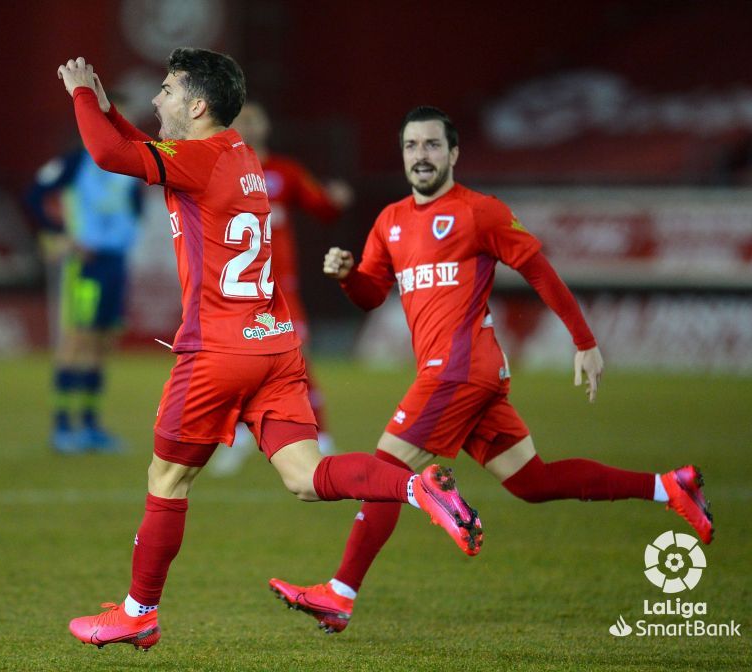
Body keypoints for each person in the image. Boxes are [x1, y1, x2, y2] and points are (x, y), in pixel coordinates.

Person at [55, 52, 484, 650]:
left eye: (167, 89)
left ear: (197, 106)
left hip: (217, 351)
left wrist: (79, 95)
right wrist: (106, 108)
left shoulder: (201, 161)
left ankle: (138, 612)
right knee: (306, 477)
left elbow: (107, 155)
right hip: (273, 346)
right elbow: (139, 150)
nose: (156, 100)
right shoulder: (239, 156)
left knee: (168, 477)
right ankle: (416, 487)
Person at [268, 106, 714, 635]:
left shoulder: (480, 212)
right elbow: (371, 294)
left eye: (433, 145)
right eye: (412, 146)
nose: (421, 156)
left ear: (454, 153)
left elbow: (537, 270)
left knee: (386, 471)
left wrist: (585, 341)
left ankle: (340, 594)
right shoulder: (390, 221)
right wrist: (348, 276)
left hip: (456, 370)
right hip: (470, 376)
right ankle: (670, 486)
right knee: (532, 481)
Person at [209, 102, 352, 475]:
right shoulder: (219, 168)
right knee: (235, 361)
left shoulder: (284, 173)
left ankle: (320, 436)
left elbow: (322, 206)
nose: (249, 127)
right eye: (242, 121)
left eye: (255, 119)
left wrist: (334, 200)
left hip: (280, 287)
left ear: (266, 125)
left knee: (297, 359)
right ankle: (238, 435)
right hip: (238, 289)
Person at [27, 120, 143, 454]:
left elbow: (135, 204)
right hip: (86, 264)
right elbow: (34, 196)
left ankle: (91, 426)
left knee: (103, 343)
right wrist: (61, 234)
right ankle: (63, 427)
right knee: (78, 339)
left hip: (116, 263)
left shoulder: (128, 163)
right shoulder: (75, 161)